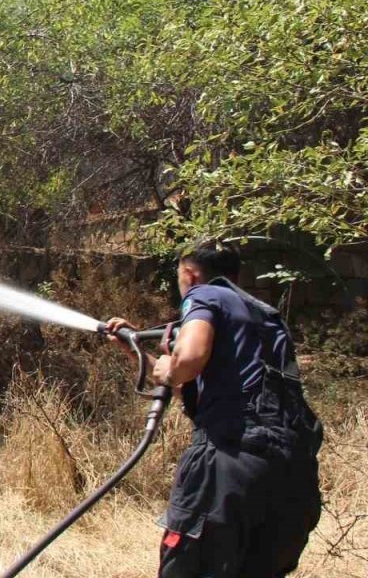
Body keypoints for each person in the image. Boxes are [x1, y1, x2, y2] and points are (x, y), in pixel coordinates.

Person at [105, 241, 322, 578]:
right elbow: (188, 385)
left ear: (190, 275)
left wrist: (171, 365)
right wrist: (136, 352)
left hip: (229, 461)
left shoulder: (205, 295)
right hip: (290, 475)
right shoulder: (261, 319)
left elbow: (187, 360)